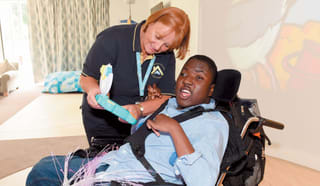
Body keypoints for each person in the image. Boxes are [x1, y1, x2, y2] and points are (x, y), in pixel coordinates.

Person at [26, 55, 229, 186]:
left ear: (211, 90)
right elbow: (140, 137)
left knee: (43, 177)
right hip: (117, 163)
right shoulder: (170, 104)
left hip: (138, 179)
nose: (187, 79)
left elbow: (202, 181)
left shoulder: (214, 123)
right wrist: (146, 114)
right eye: (183, 73)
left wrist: (175, 129)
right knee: (43, 168)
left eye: (198, 77)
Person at [80, 7, 191, 148]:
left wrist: (140, 109)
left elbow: (166, 96)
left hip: (139, 119)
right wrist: (93, 90)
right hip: (103, 119)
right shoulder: (112, 38)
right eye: (157, 37)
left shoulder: (167, 56)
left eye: (166, 45)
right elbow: (86, 78)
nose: (158, 47)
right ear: (150, 22)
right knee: (105, 162)